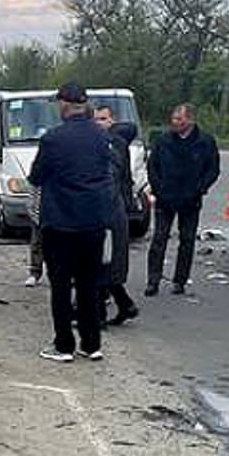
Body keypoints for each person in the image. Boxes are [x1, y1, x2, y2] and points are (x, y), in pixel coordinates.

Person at [27, 82, 117, 362]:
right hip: (94, 222)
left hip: (61, 223)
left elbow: (36, 176)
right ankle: (91, 344)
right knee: (89, 284)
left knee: (61, 286)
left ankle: (64, 345)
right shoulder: (101, 136)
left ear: (64, 104)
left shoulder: (53, 139)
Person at [145, 102, 219, 296]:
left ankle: (180, 280)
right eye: (174, 118)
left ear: (191, 120)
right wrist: (158, 189)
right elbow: (152, 166)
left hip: (190, 199)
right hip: (165, 198)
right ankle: (153, 280)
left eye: (179, 119)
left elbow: (212, 169)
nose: (175, 122)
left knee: (187, 240)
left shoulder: (205, 142)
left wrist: (200, 189)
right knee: (159, 238)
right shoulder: (163, 141)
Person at [94, 105, 141, 326]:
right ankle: (125, 305)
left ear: (112, 121)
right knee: (108, 265)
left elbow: (110, 178)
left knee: (102, 263)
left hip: (110, 211)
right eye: (95, 119)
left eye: (103, 119)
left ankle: (99, 315)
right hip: (114, 209)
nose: (98, 123)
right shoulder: (109, 143)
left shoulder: (113, 145)